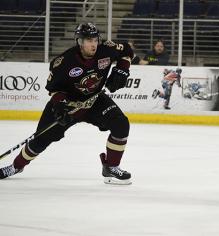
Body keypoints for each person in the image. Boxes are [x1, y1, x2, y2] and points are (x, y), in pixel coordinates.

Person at [0, 23, 134, 185]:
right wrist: (59, 105)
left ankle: (111, 167)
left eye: (95, 39)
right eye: (88, 40)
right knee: (40, 141)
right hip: (68, 106)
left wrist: (122, 70)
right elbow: (54, 89)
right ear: (79, 41)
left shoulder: (106, 49)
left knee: (121, 124)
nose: (93, 44)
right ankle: (16, 166)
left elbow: (127, 50)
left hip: (94, 101)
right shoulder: (64, 62)